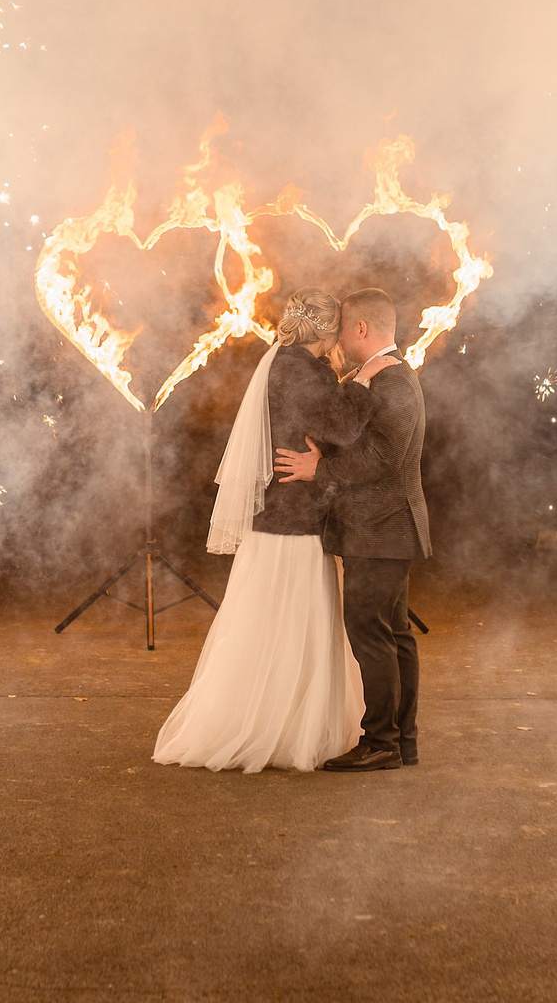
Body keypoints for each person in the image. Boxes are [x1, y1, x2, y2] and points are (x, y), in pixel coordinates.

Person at [151, 289, 398, 772]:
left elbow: (322, 422)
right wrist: (365, 380)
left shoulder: (288, 364)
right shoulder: (301, 370)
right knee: (293, 622)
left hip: (289, 517)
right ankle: (282, 730)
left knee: (281, 623)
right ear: (328, 332)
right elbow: (341, 429)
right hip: (294, 521)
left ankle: (282, 721)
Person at [275, 288, 430, 773]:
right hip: (381, 529)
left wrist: (317, 469)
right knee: (394, 632)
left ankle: (382, 740)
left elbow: (382, 458)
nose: (338, 338)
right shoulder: (379, 377)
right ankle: (401, 741)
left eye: (343, 329)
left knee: (371, 632)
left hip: (382, 529)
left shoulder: (395, 382)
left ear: (361, 329)